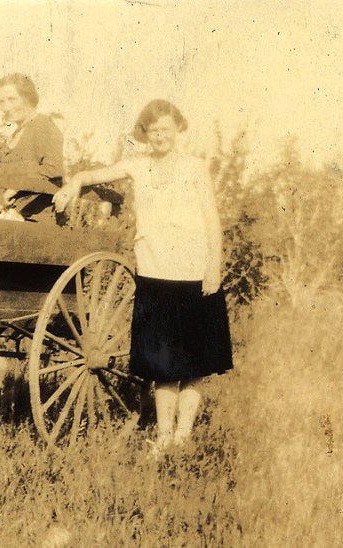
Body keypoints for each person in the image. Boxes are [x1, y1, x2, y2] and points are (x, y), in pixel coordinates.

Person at [53, 99, 233, 454]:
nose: (161, 136)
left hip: (195, 272)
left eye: (167, 128)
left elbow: (212, 220)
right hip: (154, 271)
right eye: (154, 130)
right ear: (146, 134)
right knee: (163, 365)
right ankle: (164, 437)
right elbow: (95, 174)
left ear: (179, 129)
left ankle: (183, 437)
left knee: (195, 364)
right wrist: (73, 183)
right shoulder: (138, 166)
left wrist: (213, 268)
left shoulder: (196, 168)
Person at [0, 73, 65, 221]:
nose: (6, 107)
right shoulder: (16, 134)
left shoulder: (42, 125)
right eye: (1, 102)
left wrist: (14, 189)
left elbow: (53, 169)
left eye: (12, 99)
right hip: (12, 214)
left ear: (28, 98)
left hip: (37, 215)